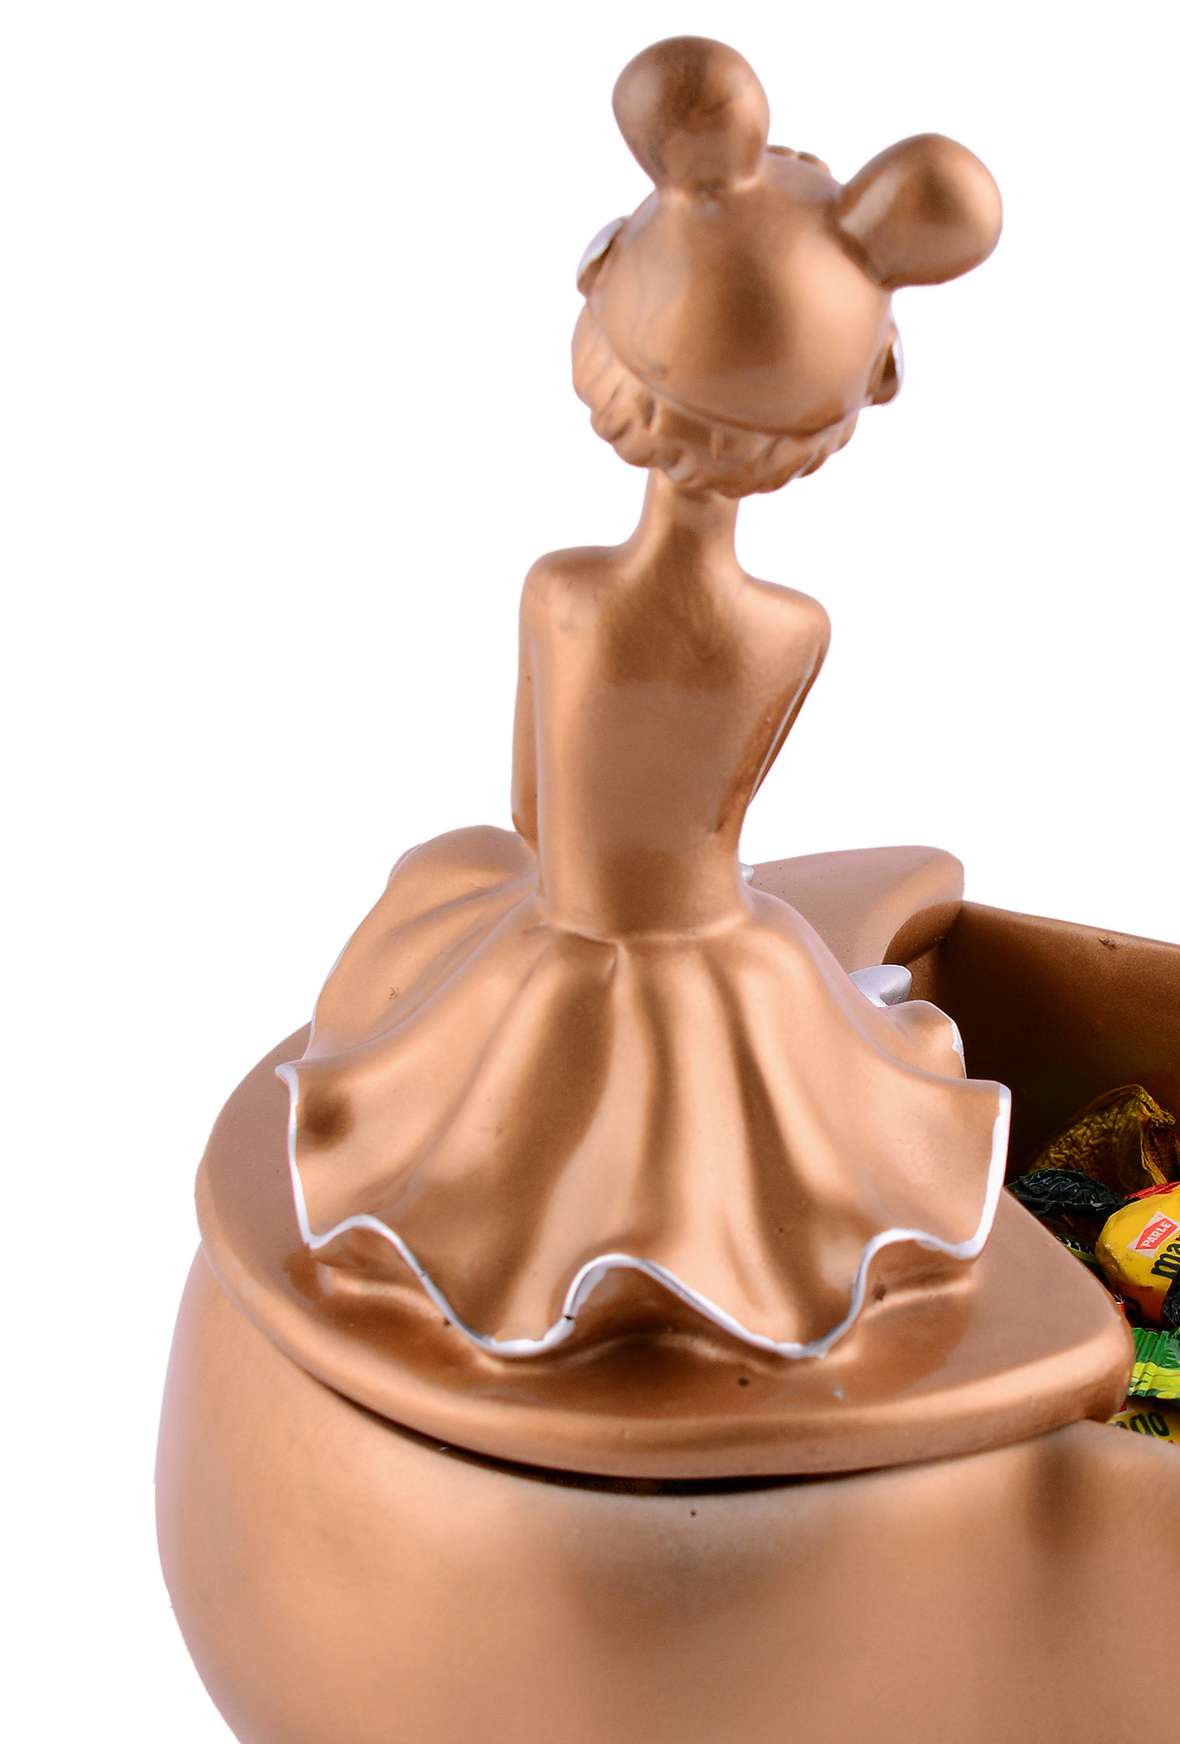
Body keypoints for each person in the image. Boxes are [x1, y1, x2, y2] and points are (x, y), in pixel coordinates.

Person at [280, 38, 1008, 1356]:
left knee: (501, 1134)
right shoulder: (793, 630)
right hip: (726, 950)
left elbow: (532, 811)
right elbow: (717, 821)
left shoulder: (563, 594)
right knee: (730, 1172)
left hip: (561, 939)